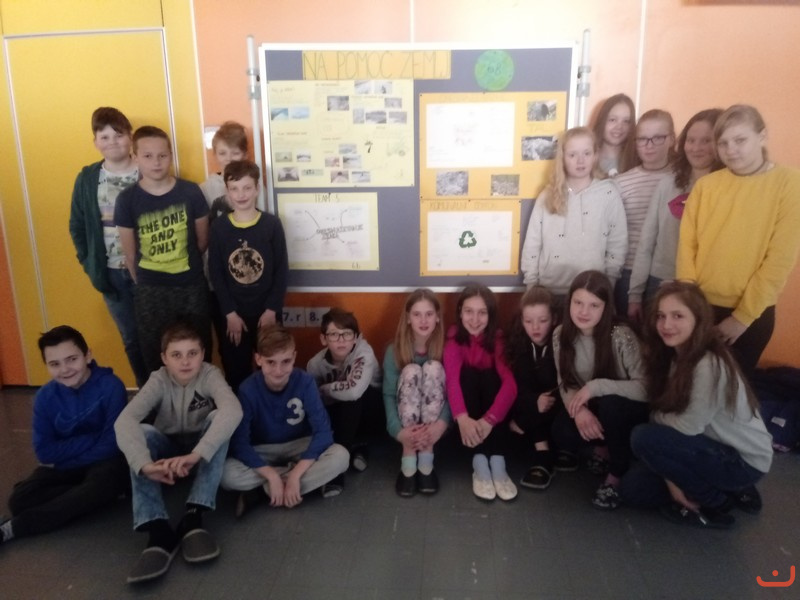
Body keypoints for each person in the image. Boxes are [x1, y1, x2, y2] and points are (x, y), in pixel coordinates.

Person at [620, 281, 773, 528]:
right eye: (661, 316)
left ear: (698, 320)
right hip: (704, 445)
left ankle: (715, 503)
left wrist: (656, 416)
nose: (666, 325)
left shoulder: (708, 364)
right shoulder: (674, 356)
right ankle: (711, 487)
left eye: (677, 316)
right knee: (633, 489)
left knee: (643, 436)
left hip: (741, 460)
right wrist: (672, 481)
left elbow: (687, 426)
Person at [676, 104, 800, 380]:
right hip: (699, 305)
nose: (731, 150)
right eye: (723, 143)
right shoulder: (706, 186)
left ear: (762, 136)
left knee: (730, 390)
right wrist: (689, 304)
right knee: (690, 384)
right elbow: (687, 246)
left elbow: (779, 260)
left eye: (740, 140)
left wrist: (741, 318)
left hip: (750, 313)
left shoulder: (790, 184)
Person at [114, 322, 242, 584]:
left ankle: (194, 514)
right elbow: (124, 421)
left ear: (202, 354)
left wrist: (197, 454)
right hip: (168, 456)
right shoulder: (158, 379)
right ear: (164, 358)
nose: (185, 362)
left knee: (219, 419)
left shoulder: (210, 374)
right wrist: (144, 465)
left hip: (198, 455)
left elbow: (233, 410)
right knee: (143, 432)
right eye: (176, 355)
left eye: (192, 353)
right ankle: (157, 529)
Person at [1, 326, 128, 546]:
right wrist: (91, 438)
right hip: (69, 466)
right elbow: (44, 451)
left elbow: (111, 445)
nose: (65, 369)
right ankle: (97, 495)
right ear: (47, 366)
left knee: (103, 481)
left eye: (72, 359)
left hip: (104, 463)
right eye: (55, 364)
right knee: (19, 499)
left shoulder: (111, 386)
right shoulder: (45, 397)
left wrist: (65, 456)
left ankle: (15, 528)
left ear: (87, 355)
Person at [221, 325, 349, 515]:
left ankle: (266, 490)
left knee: (341, 457)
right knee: (226, 474)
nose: (278, 370)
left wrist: (296, 475)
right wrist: (271, 475)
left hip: (300, 444)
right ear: (258, 359)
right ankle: (283, 484)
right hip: (264, 449)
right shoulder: (247, 389)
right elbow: (240, 443)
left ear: (294, 357)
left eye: (286, 361)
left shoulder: (305, 381)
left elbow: (323, 433)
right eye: (271, 362)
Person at [114, 125, 212, 374]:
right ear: (135, 157)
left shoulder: (190, 192)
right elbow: (130, 254)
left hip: (191, 287)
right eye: (148, 156)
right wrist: (147, 282)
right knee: (155, 356)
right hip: (151, 290)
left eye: (162, 155)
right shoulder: (127, 199)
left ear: (171, 155)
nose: (156, 162)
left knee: (200, 352)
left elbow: (202, 241)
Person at [551, 270, 648, 510]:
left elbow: (647, 388)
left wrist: (596, 387)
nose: (584, 312)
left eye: (594, 305)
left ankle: (616, 474)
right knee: (562, 429)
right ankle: (603, 447)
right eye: (578, 303)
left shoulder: (620, 335)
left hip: (626, 407)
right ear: (569, 302)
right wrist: (579, 411)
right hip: (593, 404)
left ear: (606, 308)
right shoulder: (561, 334)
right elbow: (566, 382)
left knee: (610, 406)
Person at [69, 107, 148, 386]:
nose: (112, 142)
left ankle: (169, 394)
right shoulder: (88, 178)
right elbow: (77, 225)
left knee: (160, 334)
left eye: (118, 134)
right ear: (95, 142)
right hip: (112, 274)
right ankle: (146, 392)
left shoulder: (147, 170)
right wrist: (89, 263)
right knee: (131, 338)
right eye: (104, 137)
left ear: (130, 137)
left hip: (149, 271)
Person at [628, 109, 724, 321]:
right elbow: (646, 242)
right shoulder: (667, 183)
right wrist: (635, 294)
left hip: (707, 289)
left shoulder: (728, 189)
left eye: (706, 141)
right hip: (660, 282)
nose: (696, 148)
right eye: (691, 140)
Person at [207, 159, 288, 392]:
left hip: (267, 313)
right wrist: (229, 313)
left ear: (257, 188)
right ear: (227, 191)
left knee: (272, 365)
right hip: (234, 316)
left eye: (247, 188)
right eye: (234, 189)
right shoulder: (219, 227)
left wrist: (272, 310)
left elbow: (281, 269)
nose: (241, 194)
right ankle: (241, 411)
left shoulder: (271, 225)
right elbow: (216, 272)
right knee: (237, 370)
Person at [520, 127, 628, 298]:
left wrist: (609, 284)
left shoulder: (608, 194)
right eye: (572, 155)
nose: (580, 160)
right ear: (563, 158)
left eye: (586, 153)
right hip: (549, 291)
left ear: (595, 155)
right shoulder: (547, 196)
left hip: (591, 292)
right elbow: (532, 243)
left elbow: (617, 243)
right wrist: (531, 285)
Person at [444, 284, 518, 501]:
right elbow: (452, 381)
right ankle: (478, 461)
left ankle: (498, 461)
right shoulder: (454, 340)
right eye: (469, 311)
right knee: (468, 376)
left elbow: (510, 385)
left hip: (493, 420)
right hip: (468, 417)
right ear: (460, 312)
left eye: (482, 312)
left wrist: (490, 420)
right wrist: (462, 418)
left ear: (490, 315)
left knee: (490, 377)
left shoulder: (498, 339)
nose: (475, 319)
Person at [383, 289, 451, 497]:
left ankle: (426, 462)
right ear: (408, 318)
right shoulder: (394, 351)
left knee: (433, 367)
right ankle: (409, 459)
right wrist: (399, 432)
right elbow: (389, 395)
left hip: (435, 425)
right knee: (411, 370)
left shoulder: (446, 348)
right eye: (417, 314)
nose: (423, 320)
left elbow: (452, 394)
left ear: (437, 317)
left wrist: (440, 426)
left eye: (429, 314)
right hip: (406, 427)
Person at [614, 109, 677, 316]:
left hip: (667, 271)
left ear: (671, 139)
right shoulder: (621, 182)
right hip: (629, 270)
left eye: (658, 138)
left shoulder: (682, 180)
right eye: (642, 139)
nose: (649, 146)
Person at [306, 308, 381, 481]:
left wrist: (325, 389)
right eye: (334, 334)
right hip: (341, 418)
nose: (341, 340)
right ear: (323, 339)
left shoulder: (364, 352)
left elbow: (354, 391)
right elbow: (312, 403)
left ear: (355, 338)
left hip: (372, 414)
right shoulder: (315, 364)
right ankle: (356, 448)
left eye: (347, 334)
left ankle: (341, 458)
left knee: (352, 396)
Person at [505, 286, 564, 490]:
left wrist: (524, 419)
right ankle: (543, 448)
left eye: (543, 320)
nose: (535, 327)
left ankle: (543, 453)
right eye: (528, 321)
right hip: (529, 407)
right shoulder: (519, 345)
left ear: (554, 319)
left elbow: (565, 388)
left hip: (557, 409)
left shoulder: (562, 344)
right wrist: (533, 402)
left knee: (546, 394)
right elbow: (517, 389)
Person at [200, 121, 248, 222]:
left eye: (235, 153)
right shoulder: (205, 189)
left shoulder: (255, 184)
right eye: (222, 153)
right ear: (215, 154)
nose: (229, 159)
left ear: (245, 155)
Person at [591, 93, 637, 178]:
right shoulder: (586, 159)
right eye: (612, 120)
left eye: (626, 121)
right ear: (602, 121)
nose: (619, 127)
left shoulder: (637, 161)